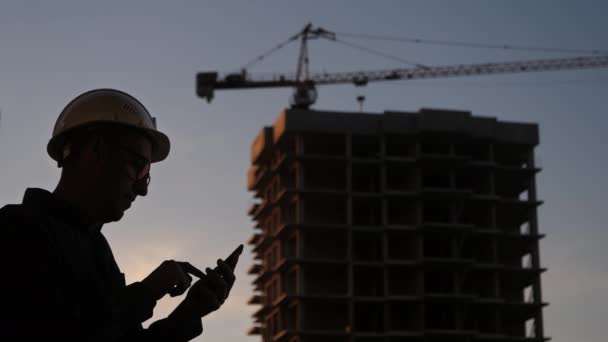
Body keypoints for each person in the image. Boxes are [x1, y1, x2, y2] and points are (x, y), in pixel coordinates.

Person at [0, 89, 241, 341]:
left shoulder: (96, 250)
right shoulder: (15, 231)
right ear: (96, 149)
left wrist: (189, 313)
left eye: (147, 173)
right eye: (137, 165)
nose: (143, 188)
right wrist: (147, 292)